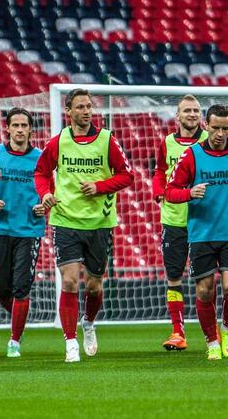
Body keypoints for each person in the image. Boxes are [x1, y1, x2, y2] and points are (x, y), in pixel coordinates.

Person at [34, 88, 134, 362]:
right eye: (80, 107)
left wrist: (99, 187)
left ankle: (88, 322)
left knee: (94, 286)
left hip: (99, 222)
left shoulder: (106, 140)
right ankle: (70, 342)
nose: (86, 111)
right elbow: (41, 173)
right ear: (69, 112)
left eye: (89, 106)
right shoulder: (58, 142)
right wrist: (45, 194)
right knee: (68, 282)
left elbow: (127, 176)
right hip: (65, 219)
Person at [165, 104, 228, 360]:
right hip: (202, 234)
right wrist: (189, 193)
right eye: (215, 128)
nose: (220, 133)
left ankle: (227, 328)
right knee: (205, 290)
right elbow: (169, 191)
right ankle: (212, 341)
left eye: (225, 128)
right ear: (206, 125)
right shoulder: (191, 155)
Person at [0, 107, 46, 358]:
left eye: (24, 125)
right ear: (7, 128)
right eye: (15, 125)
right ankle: (20, 315)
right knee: (2, 290)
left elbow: (47, 188)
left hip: (28, 229)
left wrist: (44, 204)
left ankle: (14, 341)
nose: (19, 130)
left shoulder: (40, 158)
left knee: (21, 287)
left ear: (31, 129)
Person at [151, 94, 206, 351]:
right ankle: (177, 331)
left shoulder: (210, 141)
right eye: (187, 110)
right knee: (174, 276)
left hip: (203, 220)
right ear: (178, 116)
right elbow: (160, 171)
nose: (192, 114)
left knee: (205, 280)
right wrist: (158, 191)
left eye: (196, 110)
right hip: (173, 219)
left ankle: (210, 329)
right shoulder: (168, 143)